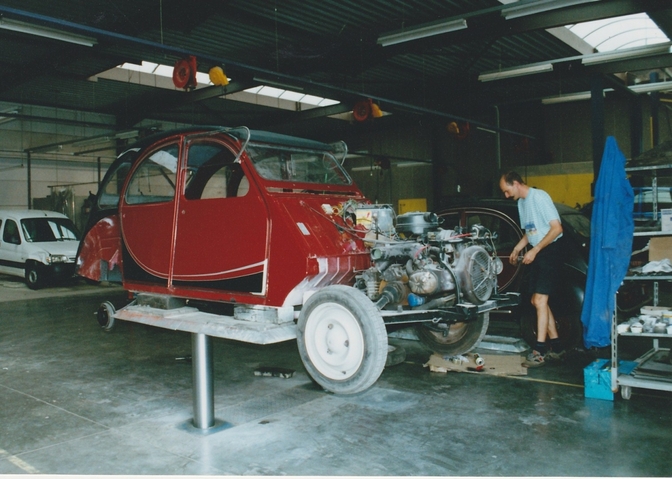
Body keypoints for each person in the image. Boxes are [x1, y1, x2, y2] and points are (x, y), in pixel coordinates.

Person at [499, 171, 564, 367]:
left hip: (550, 251)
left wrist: (534, 250)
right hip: (539, 251)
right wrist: (519, 247)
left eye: (507, 191)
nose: (506, 196)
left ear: (517, 184)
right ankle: (558, 347)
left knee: (540, 300)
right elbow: (531, 231)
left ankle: (539, 351)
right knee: (538, 301)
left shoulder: (540, 197)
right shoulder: (522, 203)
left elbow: (557, 228)